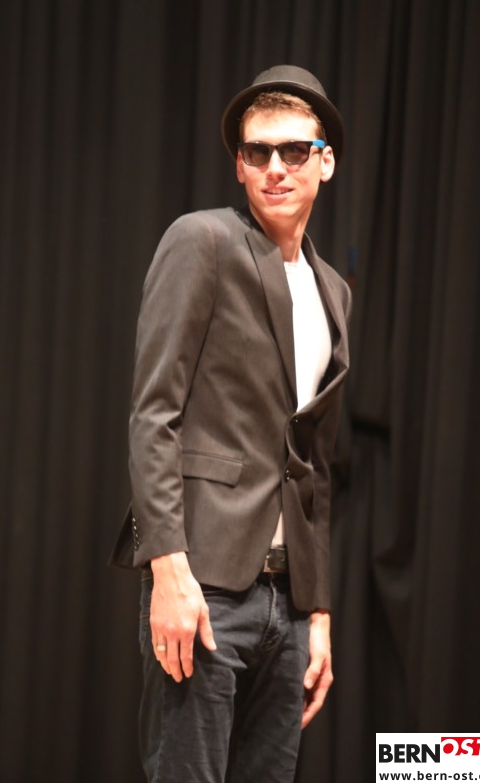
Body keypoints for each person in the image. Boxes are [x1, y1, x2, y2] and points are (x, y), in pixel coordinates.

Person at [110, 64, 351, 783]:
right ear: (239, 166)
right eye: (257, 152)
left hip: (288, 600)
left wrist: (318, 611)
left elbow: (314, 466)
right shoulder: (203, 241)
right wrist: (168, 570)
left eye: (293, 150)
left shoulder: (333, 290)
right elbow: (154, 413)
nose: (275, 167)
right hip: (205, 582)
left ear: (325, 161)